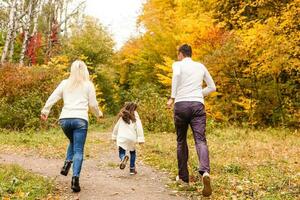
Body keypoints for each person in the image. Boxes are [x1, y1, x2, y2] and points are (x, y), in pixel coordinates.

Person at [40, 60, 103, 192]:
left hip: (65, 120)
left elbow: (53, 97)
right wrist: (98, 114)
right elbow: (93, 104)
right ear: (85, 70)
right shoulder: (88, 85)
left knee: (73, 141)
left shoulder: (64, 83)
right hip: (80, 120)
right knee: (78, 149)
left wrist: (45, 111)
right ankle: (75, 180)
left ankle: (67, 163)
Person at [167, 44, 216, 197]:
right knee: (200, 140)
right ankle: (205, 172)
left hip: (181, 104)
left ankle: (183, 178)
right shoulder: (200, 66)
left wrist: (172, 97)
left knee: (181, 141)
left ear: (181, 54)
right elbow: (212, 87)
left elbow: (175, 77)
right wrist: (198, 93)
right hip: (197, 105)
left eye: (178, 54)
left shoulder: (177, 65)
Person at [112, 102, 145, 175]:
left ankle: (123, 158)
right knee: (132, 152)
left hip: (122, 138)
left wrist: (114, 136)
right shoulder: (135, 118)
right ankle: (132, 169)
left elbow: (116, 128)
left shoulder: (122, 117)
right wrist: (141, 139)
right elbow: (139, 129)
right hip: (132, 138)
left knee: (121, 151)